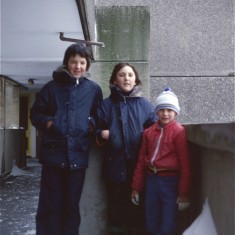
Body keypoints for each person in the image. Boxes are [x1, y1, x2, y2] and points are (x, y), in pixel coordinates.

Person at [30, 43, 103, 235]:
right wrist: (49, 123)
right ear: (66, 63)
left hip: (77, 157)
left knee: (71, 206)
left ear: (87, 65)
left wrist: (92, 124)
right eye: (73, 62)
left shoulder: (93, 89)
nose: (77, 66)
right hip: (53, 155)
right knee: (49, 205)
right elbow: (36, 113)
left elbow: (99, 115)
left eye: (82, 62)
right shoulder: (51, 88)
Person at [96, 62, 157, 235]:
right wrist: (101, 134)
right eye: (122, 75)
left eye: (130, 75)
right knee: (116, 211)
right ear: (115, 80)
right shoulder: (106, 105)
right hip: (114, 167)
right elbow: (95, 128)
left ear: (135, 80)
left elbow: (154, 129)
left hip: (139, 167)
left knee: (138, 211)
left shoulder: (144, 104)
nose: (126, 78)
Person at [131, 88, 191, 235]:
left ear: (176, 112)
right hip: (151, 179)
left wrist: (183, 192)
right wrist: (136, 188)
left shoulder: (179, 131)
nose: (165, 113)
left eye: (169, 110)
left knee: (168, 219)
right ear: (156, 112)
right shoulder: (148, 132)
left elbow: (185, 163)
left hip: (170, 180)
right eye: (162, 110)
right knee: (151, 217)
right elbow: (140, 162)